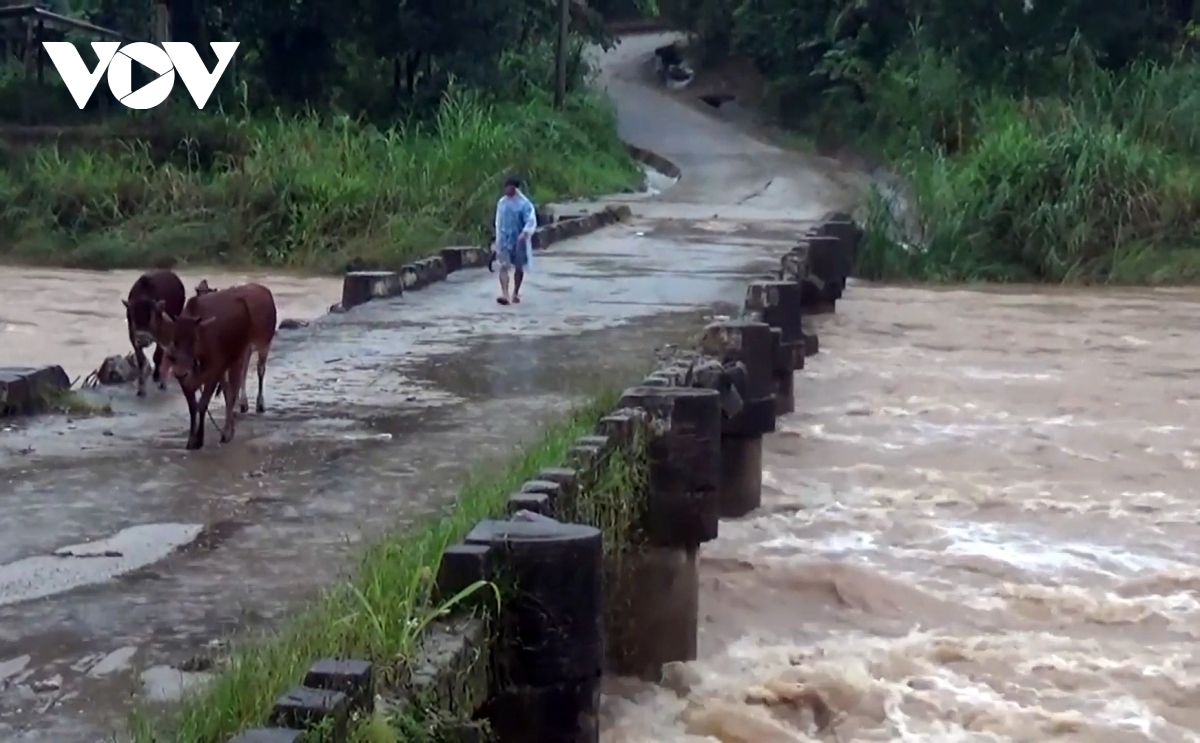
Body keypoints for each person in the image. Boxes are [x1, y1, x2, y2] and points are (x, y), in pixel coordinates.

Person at [492, 175, 537, 305]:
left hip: (519, 239)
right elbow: (498, 222)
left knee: (519, 267)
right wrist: (497, 239)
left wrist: (525, 233)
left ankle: (515, 292)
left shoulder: (524, 204)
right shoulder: (502, 203)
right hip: (504, 239)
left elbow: (531, 220)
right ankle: (505, 294)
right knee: (503, 266)